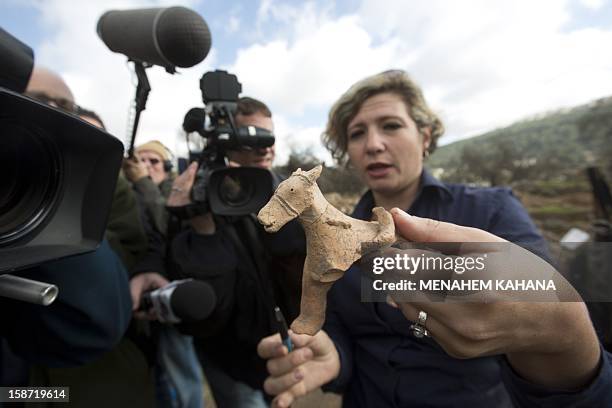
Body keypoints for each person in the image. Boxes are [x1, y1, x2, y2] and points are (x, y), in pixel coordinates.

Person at [257, 70, 612, 407]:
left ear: (425, 137)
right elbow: (342, 332)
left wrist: (559, 328)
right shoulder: (330, 239)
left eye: (391, 126)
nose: (374, 144)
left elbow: (550, 305)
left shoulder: (492, 211)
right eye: (357, 133)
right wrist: (335, 356)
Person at [132, 96, 306, 408]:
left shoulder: (293, 192)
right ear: (225, 143)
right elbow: (206, 311)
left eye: (269, 137)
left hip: (286, 337)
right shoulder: (200, 196)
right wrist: (202, 229)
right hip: (232, 357)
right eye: (251, 138)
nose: (265, 147)